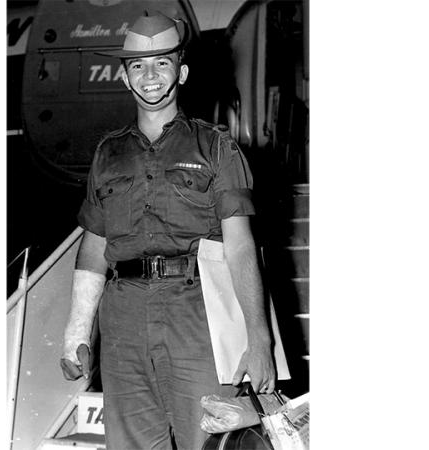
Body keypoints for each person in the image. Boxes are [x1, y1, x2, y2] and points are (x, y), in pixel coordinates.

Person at [60, 11, 276, 449]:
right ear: (124, 77)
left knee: (210, 440)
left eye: (162, 62)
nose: (150, 76)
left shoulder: (216, 147)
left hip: (198, 314)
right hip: (122, 321)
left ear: (182, 71)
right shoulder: (108, 154)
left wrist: (259, 338)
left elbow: (240, 249)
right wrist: (77, 332)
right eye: (138, 65)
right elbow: (94, 247)